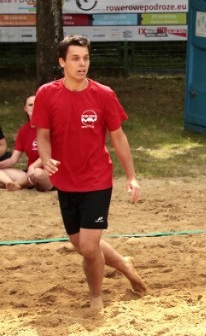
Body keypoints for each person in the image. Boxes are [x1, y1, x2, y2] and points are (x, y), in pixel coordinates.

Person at [31, 34, 147, 310]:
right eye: (75, 58)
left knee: (88, 247)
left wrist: (131, 176)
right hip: (65, 181)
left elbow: (118, 137)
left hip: (96, 179)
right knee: (83, 245)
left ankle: (96, 297)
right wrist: (46, 159)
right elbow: (43, 135)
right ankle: (125, 265)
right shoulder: (47, 93)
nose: (82, 64)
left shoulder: (103, 94)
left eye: (85, 58)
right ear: (62, 62)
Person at [0, 95, 53, 191]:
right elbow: (12, 160)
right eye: (30, 105)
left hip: (48, 174)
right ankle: (10, 183)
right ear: (25, 108)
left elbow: (49, 155)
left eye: (37, 104)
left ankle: (17, 184)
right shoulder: (23, 131)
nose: (34, 107)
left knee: (38, 173)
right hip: (28, 174)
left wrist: (33, 167)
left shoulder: (50, 127)